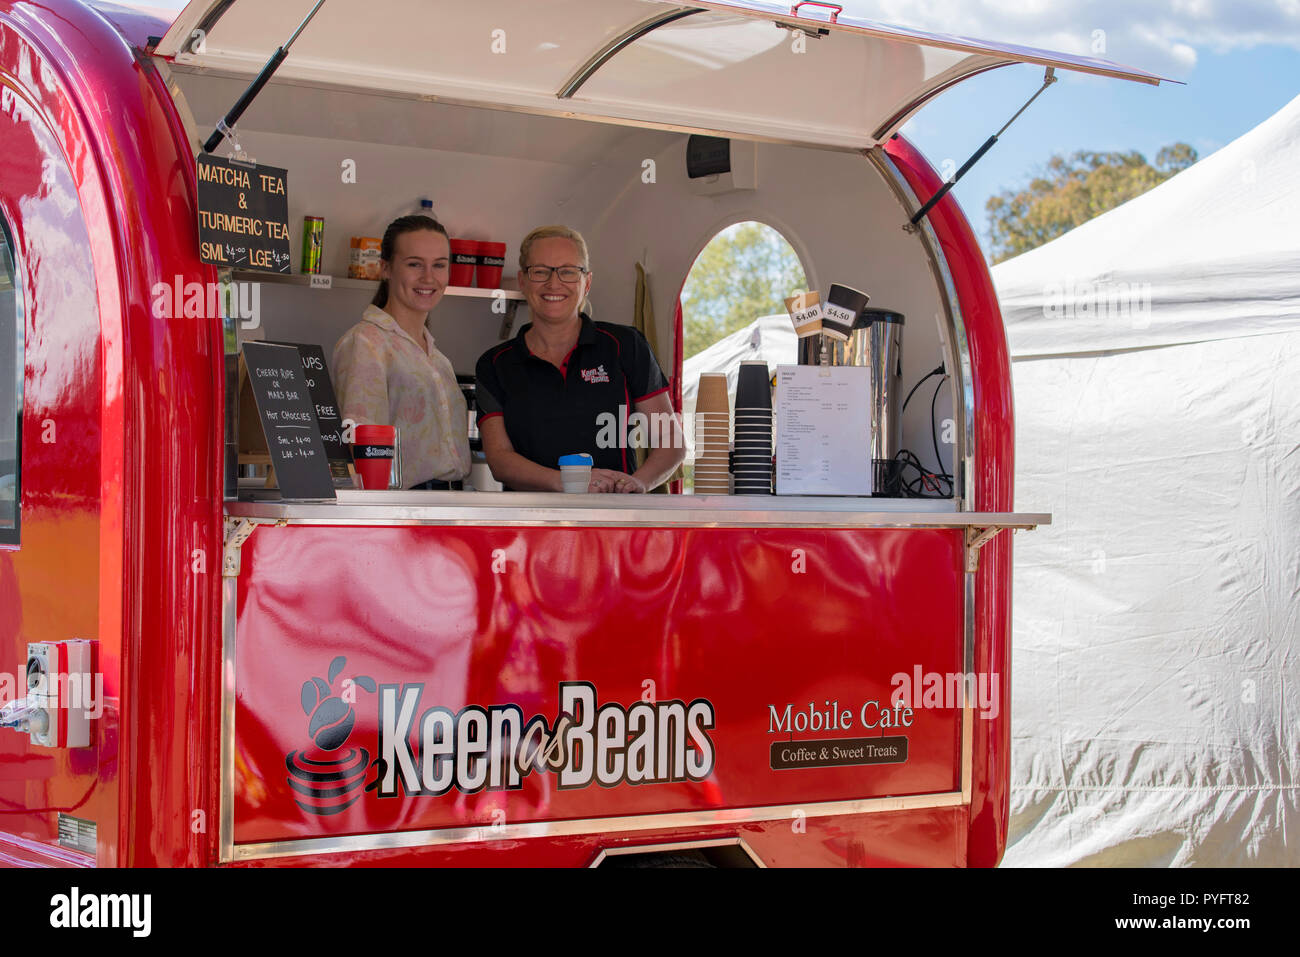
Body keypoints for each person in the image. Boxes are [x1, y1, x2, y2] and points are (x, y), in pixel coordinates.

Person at [475, 225, 684, 493]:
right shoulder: (495, 365)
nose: (554, 283)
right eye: (540, 271)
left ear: (587, 282)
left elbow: (670, 440)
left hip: (612, 520)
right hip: (531, 524)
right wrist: (566, 483)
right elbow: (500, 459)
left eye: (568, 272)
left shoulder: (625, 345)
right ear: (523, 281)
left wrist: (639, 482)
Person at [333, 215, 470, 490]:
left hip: (446, 504)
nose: (428, 277)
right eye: (414, 264)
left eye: (439, 266)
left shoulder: (438, 359)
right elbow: (364, 453)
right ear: (385, 268)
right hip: (403, 508)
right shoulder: (367, 343)